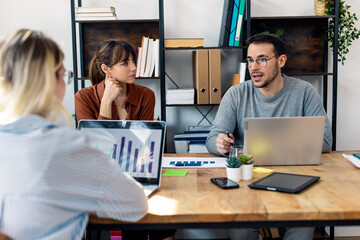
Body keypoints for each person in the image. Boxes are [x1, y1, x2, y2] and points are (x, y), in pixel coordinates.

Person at [0, 29, 148, 239]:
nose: (133, 68)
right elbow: (136, 204)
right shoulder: (61, 146)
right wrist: (85, 199)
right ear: (47, 82)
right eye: (64, 76)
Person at [206, 33, 332, 240]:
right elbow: (211, 139)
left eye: (262, 60)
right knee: (241, 231)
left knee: (302, 226)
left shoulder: (305, 92)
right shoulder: (235, 94)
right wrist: (220, 144)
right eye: (250, 60)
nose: (253, 67)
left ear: (281, 61)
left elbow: (326, 141)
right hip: (247, 182)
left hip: (294, 179)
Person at [74, 39, 155, 122]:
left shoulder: (146, 95)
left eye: (133, 61)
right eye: (125, 63)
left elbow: (145, 134)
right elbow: (93, 135)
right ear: (106, 69)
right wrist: (106, 101)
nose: (134, 68)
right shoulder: (83, 97)